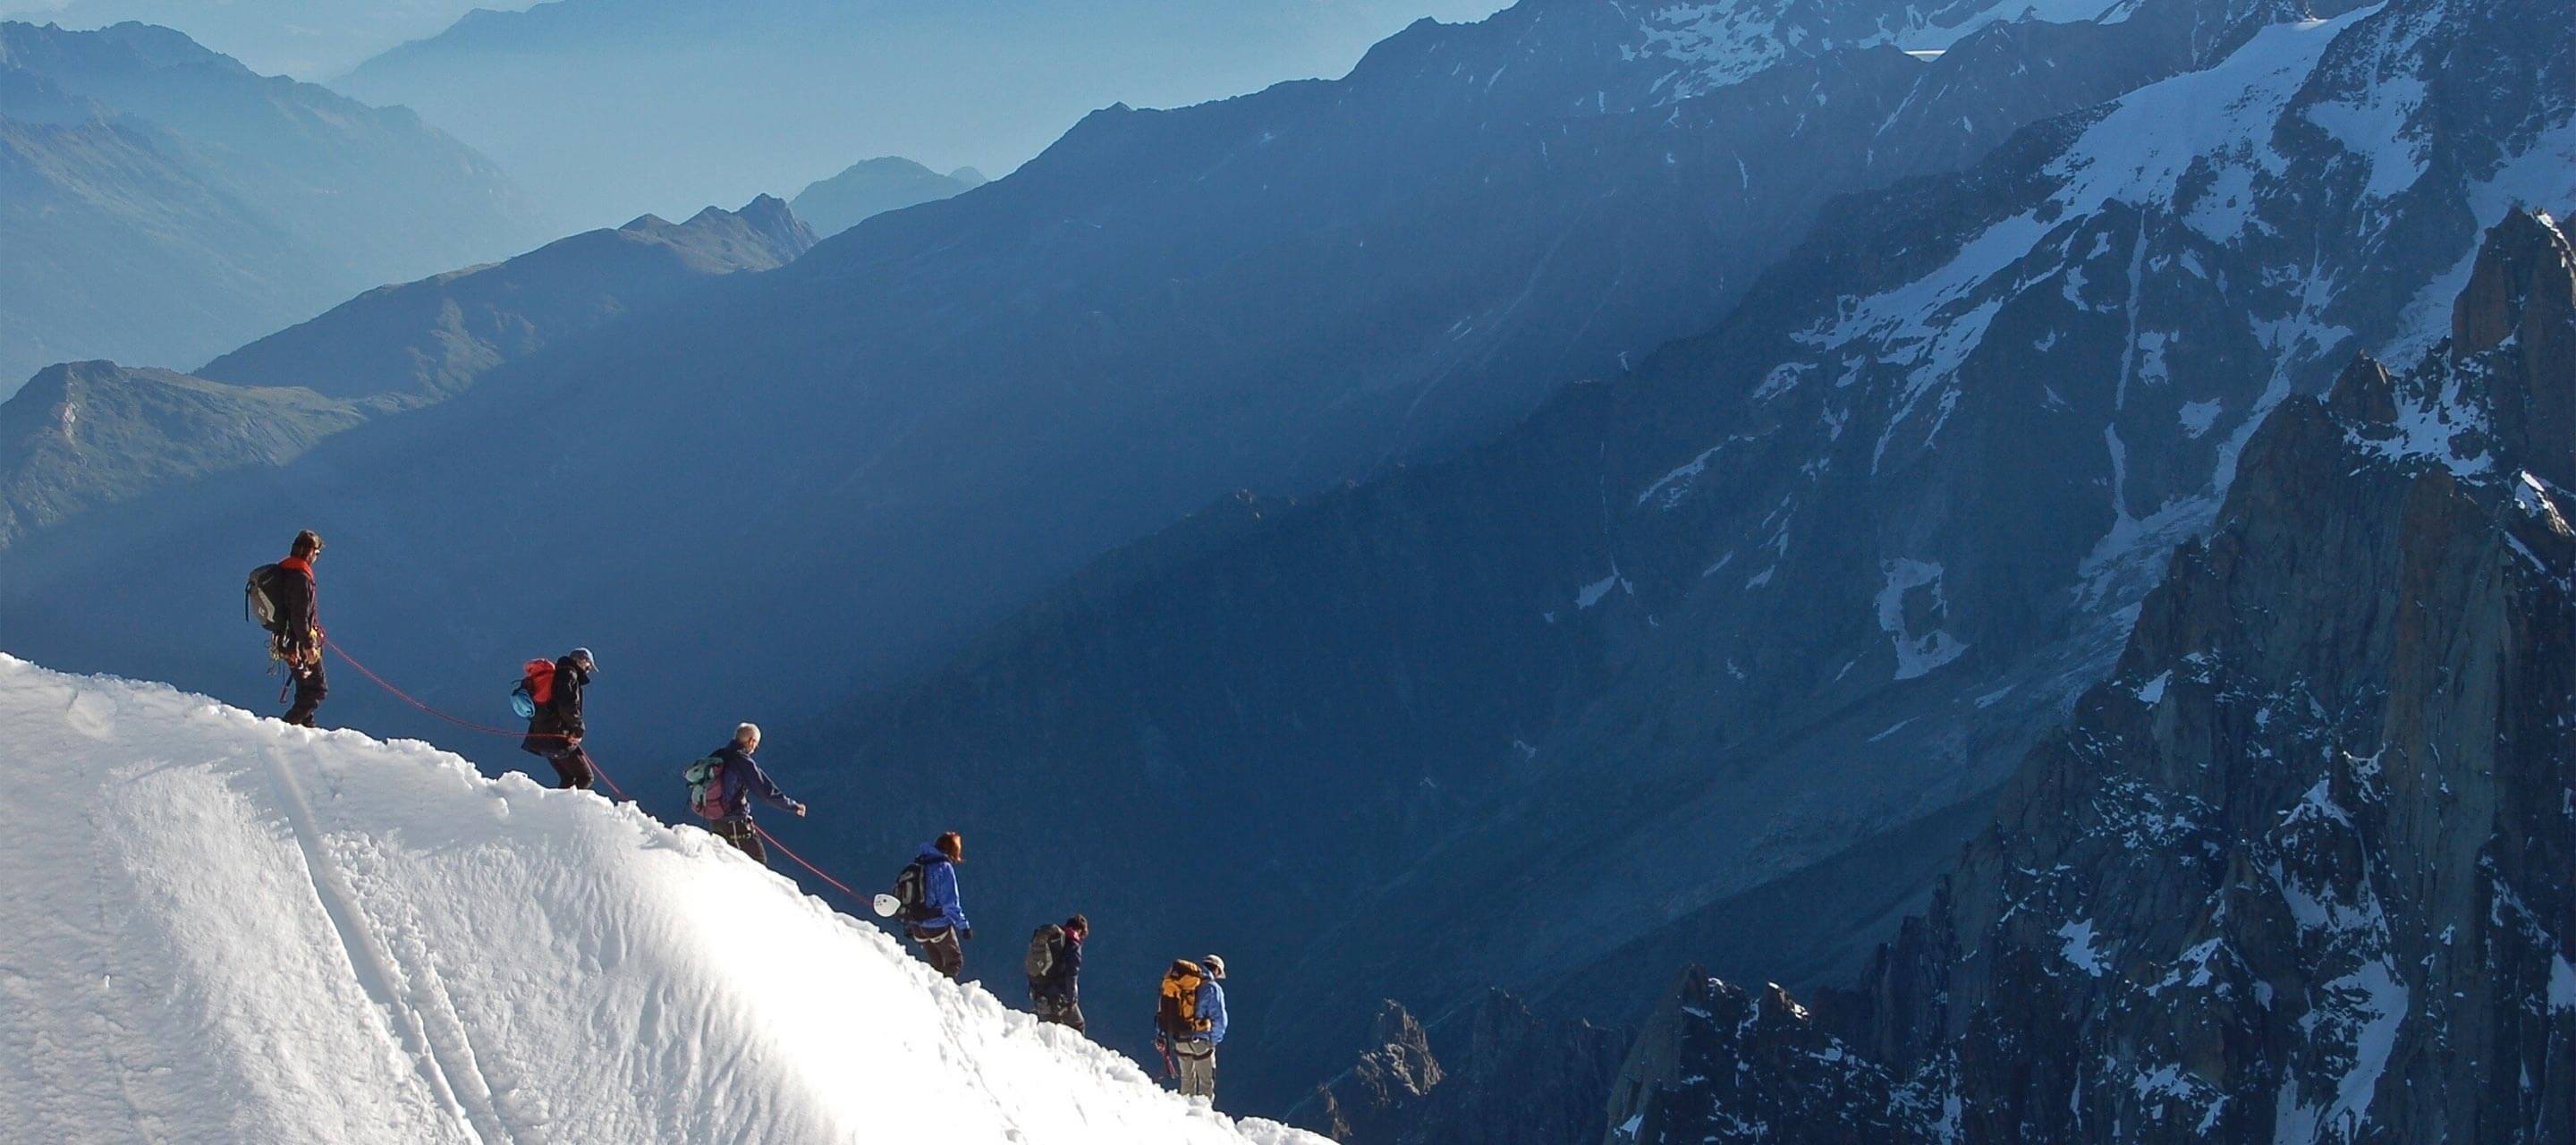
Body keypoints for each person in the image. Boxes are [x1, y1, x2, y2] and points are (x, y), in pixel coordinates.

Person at [705, 723, 804, 863]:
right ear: (751, 741)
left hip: (715, 820)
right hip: (735, 823)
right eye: (756, 744)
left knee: (726, 863)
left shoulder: (719, 755)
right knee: (758, 864)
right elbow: (766, 792)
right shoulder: (742, 761)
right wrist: (793, 806)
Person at [521, 648, 597, 789]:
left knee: (568, 777)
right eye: (589, 666)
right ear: (584, 661)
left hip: (541, 734)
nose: (588, 670)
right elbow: (567, 705)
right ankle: (567, 810)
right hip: (557, 736)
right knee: (585, 777)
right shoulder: (568, 674)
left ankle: (560, 807)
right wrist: (578, 729)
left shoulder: (558, 673)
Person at [275, 530, 327, 726]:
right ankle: (286, 729)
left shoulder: (285, 570)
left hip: (286, 641)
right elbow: (299, 617)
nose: (317, 557)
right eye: (317, 552)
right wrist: (308, 646)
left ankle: (305, 731)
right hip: (299, 643)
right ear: (309, 551)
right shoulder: (301, 578)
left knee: (305, 689)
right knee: (317, 689)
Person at [1159, 954, 1229, 1102]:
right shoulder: (1212, 988)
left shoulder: (1181, 983)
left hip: (1179, 1039)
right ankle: (1203, 1119)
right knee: (1206, 1084)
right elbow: (1220, 1019)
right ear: (1216, 969)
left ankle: (1185, 1115)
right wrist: (1213, 1041)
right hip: (1201, 1041)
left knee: (1187, 1081)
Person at [905, 832, 972, 979]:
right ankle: (941, 998)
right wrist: (964, 927)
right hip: (936, 926)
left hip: (917, 925)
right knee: (954, 963)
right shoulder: (944, 868)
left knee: (937, 965)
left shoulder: (920, 863)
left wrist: (910, 922)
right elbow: (950, 904)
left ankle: (931, 991)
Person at [1028, 913, 1088, 1031]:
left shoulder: (1053, 939)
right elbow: (1072, 975)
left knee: (1047, 1026)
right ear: (1080, 931)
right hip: (1057, 994)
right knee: (1078, 1025)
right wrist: (1071, 1001)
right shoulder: (1073, 944)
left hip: (1038, 989)